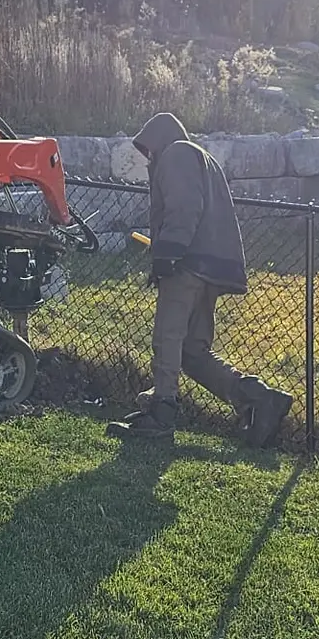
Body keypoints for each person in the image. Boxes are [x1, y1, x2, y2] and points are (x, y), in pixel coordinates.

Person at [107, 112, 295, 446]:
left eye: (148, 149)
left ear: (158, 140)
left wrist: (168, 255)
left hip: (189, 263)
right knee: (192, 351)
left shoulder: (177, 153)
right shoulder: (198, 155)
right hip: (212, 264)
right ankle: (258, 399)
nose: (148, 157)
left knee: (168, 337)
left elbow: (185, 207)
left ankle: (161, 415)